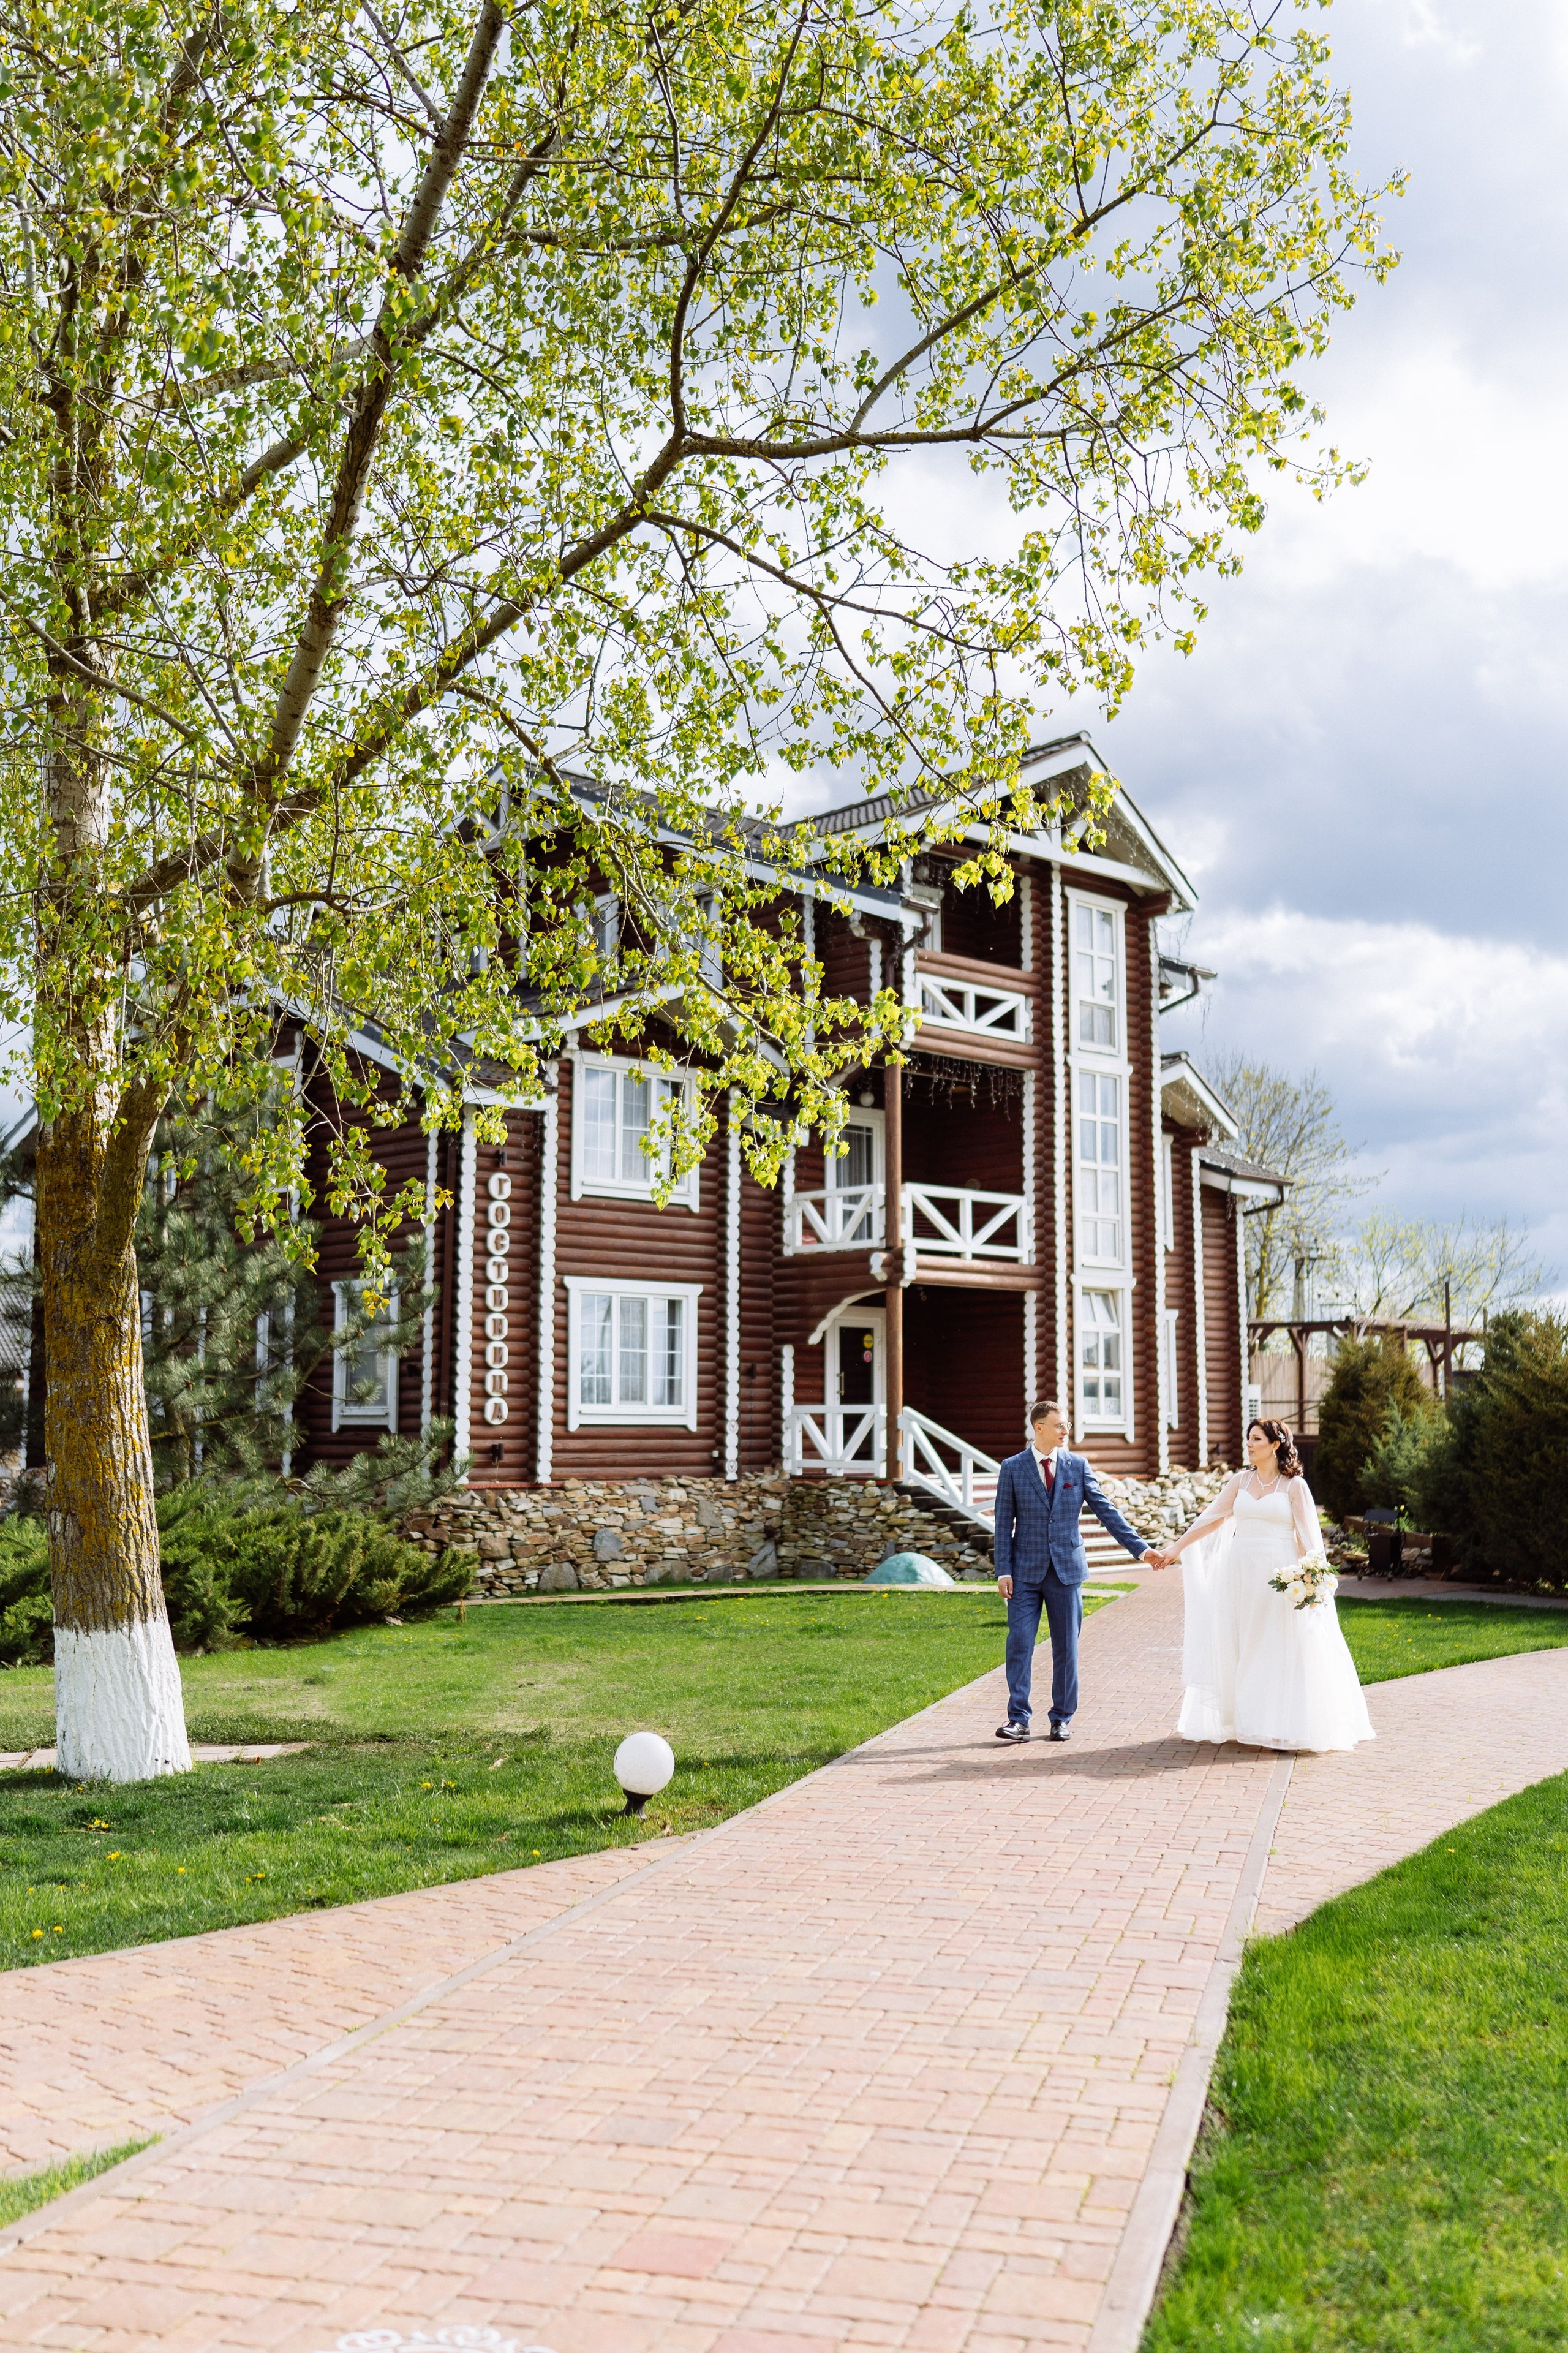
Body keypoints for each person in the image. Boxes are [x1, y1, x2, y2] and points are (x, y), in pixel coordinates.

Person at [1144, 1418, 1374, 1752]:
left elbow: (1312, 1542)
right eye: (1248, 1438)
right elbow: (1210, 1519)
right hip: (1239, 1574)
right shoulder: (1240, 1481)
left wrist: (1312, 1582)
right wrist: (1174, 1549)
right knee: (1244, 1643)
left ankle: (1280, 1723)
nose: (1249, 1444)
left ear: (1276, 1444)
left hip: (1279, 1577)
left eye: (1256, 1439)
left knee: (1275, 1645)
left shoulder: (1294, 1487)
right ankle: (1249, 1721)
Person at [993, 1399, 1150, 1743]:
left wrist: (1141, 1549)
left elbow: (1106, 1511)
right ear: (1039, 1428)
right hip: (1023, 1572)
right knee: (1019, 1644)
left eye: (1068, 1425)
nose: (1067, 1431)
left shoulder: (1077, 1466)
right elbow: (1003, 1524)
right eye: (1059, 1425)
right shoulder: (1013, 1468)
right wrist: (1003, 1570)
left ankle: (1061, 1718)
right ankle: (1018, 1720)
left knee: (1066, 1648)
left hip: (1066, 1572)